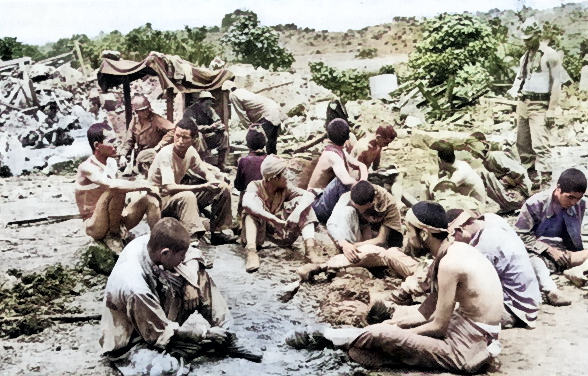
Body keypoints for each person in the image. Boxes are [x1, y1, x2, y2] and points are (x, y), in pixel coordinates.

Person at [287, 201, 503, 374]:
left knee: (381, 333)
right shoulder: (451, 251)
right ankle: (356, 340)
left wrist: (391, 331)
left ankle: (327, 337)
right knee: (370, 343)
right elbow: (425, 312)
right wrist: (397, 324)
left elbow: (438, 326)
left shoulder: (449, 264)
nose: (407, 237)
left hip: (466, 347)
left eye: (410, 231)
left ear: (425, 234)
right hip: (466, 328)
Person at [99, 218, 260, 376]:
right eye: (180, 256)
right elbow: (158, 331)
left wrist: (191, 282)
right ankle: (184, 350)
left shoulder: (154, 242)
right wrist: (204, 333)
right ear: (165, 253)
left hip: (157, 315)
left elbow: (192, 253)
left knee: (199, 276)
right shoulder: (135, 286)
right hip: (134, 339)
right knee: (162, 370)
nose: (182, 259)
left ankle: (227, 335)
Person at [75, 122, 161, 253]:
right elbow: (113, 186)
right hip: (95, 225)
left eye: (116, 139)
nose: (116, 144)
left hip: (115, 219)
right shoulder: (86, 167)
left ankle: (159, 242)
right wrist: (144, 185)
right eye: (111, 141)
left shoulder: (111, 162)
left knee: (150, 201)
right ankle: (113, 236)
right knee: (116, 189)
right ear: (97, 146)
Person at [448, 210, 541, 328]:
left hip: (515, 309)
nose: (453, 242)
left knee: (449, 310)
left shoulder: (485, 246)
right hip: (529, 299)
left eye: (452, 237)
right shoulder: (492, 219)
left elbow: (471, 286)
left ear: (461, 229)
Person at [147, 119, 235, 246]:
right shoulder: (166, 154)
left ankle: (218, 232)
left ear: (193, 139)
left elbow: (203, 170)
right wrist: (204, 186)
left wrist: (213, 181)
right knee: (188, 195)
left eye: (185, 138)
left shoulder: (190, 151)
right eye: (177, 136)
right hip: (160, 201)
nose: (180, 141)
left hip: (175, 197)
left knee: (223, 188)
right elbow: (169, 187)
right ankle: (192, 238)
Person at [507, 17, 570, 181]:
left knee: (541, 144)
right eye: (524, 39)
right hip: (523, 103)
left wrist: (551, 109)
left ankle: (547, 179)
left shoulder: (550, 55)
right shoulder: (525, 57)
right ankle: (532, 177)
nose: (527, 43)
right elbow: (520, 79)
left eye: (530, 38)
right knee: (522, 143)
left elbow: (557, 82)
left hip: (540, 104)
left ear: (538, 35)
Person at [515, 167, 588, 306]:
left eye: (577, 199)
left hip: (566, 255)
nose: (573, 202)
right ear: (558, 188)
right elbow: (520, 235)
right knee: (532, 262)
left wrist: (568, 254)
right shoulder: (535, 203)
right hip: (539, 254)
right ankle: (550, 291)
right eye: (570, 197)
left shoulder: (581, 204)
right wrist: (549, 249)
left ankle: (577, 271)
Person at [241, 155, 319, 272]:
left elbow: (309, 195)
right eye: (284, 173)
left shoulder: (285, 187)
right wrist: (274, 220)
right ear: (274, 178)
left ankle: (310, 250)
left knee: (303, 204)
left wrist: (296, 213)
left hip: (279, 233)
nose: (287, 176)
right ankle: (251, 252)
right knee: (251, 211)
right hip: (259, 234)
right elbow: (247, 203)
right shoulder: (255, 186)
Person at [327, 181, 403, 263]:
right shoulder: (348, 196)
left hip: (377, 241)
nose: (358, 209)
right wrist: (344, 243)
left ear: (370, 204)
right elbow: (331, 224)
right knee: (346, 211)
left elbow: (381, 239)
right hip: (357, 235)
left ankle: (353, 253)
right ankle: (349, 252)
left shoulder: (388, 203)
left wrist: (353, 246)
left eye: (360, 207)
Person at [309, 118, 368, 223]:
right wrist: (363, 187)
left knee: (355, 180)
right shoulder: (331, 155)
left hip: (324, 200)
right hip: (316, 205)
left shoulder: (340, 151)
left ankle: (358, 212)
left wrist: (363, 181)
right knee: (341, 183)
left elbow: (361, 165)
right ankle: (357, 214)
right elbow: (345, 180)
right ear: (347, 137)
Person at [463, 132, 531, 213]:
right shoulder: (486, 161)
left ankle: (518, 204)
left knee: (481, 173)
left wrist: (510, 182)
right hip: (510, 195)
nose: (471, 150)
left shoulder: (496, 156)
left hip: (520, 196)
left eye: (472, 146)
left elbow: (521, 173)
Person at [223, 80, 283, 155]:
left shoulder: (233, 95)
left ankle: (258, 162)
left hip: (267, 114)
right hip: (274, 109)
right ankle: (272, 162)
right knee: (271, 142)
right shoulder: (242, 91)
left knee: (258, 141)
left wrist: (250, 128)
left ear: (227, 91)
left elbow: (242, 114)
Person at [118, 95, 175, 175]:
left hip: (155, 154)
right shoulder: (134, 121)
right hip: (141, 155)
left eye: (146, 109)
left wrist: (160, 145)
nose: (145, 112)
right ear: (137, 112)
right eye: (142, 110)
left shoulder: (156, 119)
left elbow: (173, 130)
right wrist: (123, 155)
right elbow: (129, 141)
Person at [182, 91, 229, 171]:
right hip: (193, 139)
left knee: (224, 135)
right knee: (198, 135)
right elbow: (193, 128)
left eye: (210, 104)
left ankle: (221, 163)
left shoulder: (209, 109)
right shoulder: (190, 111)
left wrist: (219, 126)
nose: (209, 106)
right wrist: (209, 127)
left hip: (207, 137)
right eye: (207, 104)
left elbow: (217, 120)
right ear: (200, 102)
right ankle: (200, 163)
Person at [234, 127, 267, 213]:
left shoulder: (243, 161)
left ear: (248, 144)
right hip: (268, 200)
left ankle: (240, 216)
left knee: (243, 191)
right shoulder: (270, 160)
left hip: (250, 201)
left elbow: (238, 186)